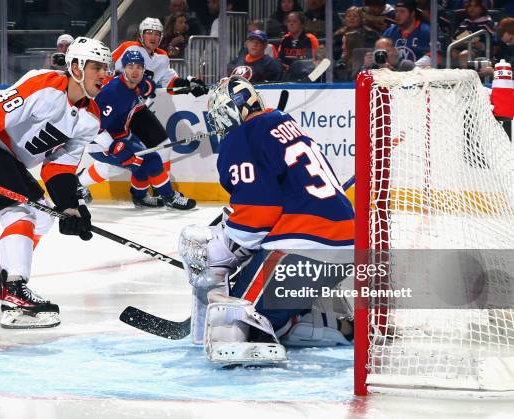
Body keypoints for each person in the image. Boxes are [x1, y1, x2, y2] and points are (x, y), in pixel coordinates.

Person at [178, 76, 355, 365]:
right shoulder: (283, 123)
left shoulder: (242, 136)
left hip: (303, 246)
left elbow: (256, 219)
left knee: (235, 321)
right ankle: (340, 325)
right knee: (269, 312)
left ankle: (278, 331)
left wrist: (222, 251)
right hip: (345, 243)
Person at [0, 37, 112, 329]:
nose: (104, 75)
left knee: (43, 219)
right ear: (76, 67)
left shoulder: (90, 119)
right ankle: (15, 294)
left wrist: (71, 209)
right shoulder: (45, 85)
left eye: (106, 68)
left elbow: (59, 168)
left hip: (9, 160)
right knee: (20, 214)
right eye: (97, 67)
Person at [90, 17, 207, 205]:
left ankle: (161, 190)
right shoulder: (129, 48)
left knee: (163, 146)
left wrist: (189, 84)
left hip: (137, 109)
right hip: (117, 107)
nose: (152, 37)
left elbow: (168, 82)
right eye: (148, 33)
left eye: (156, 34)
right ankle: (81, 183)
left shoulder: (161, 57)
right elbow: (105, 64)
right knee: (115, 162)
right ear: (141, 35)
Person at [78, 51, 196, 210]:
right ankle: (169, 196)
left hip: (121, 136)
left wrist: (146, 86)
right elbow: (94, 126)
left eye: (139, 67)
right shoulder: (113, 93)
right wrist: (113, 147)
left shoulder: (134, 85)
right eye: (130, 66)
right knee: (151, 159)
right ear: (123, 68)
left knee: (138, 165)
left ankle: (140, 198)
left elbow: (141, 91)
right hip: (100, 143)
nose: (134, 71)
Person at [382, 0, 431, 67]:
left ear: (412, 13)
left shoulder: (426, 31)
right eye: (396, 11)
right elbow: (380, 52)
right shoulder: (389, 33)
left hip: (419, 74)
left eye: (402, 11)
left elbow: (435, 55)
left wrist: (415, 67)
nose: (397, 15)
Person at [451, 0, 496, 69]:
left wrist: (479, 44)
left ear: (482, 8)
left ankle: (466, 78)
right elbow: (456, 37)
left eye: (475, 6)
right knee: (453, 52)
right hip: (463, 47)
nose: (471, 9)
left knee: (464, 54)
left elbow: (492, 43)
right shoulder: (465, 22)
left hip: (480, 51)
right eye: (469, 6)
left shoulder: (488, 23)